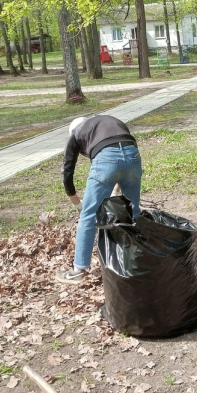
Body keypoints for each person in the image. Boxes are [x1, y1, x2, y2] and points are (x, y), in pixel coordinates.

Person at [56, 115, 142, 285]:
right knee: (134, 212)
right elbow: (124, 149)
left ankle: (78, 271)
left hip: (106, 160)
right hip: (133, 156)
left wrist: (79, 205)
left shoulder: (77, 133)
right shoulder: (108, 121)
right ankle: (139, 261)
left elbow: (67, 174)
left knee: (88, 216)